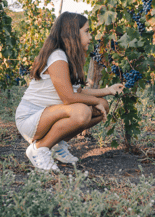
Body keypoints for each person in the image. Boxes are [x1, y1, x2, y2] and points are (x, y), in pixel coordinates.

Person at [15, 12, 124, 172]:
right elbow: (68, 97)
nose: (91, 36)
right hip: (31, 118)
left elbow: (78, 91)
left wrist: (108, 91)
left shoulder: (67, 57)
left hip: (49, 115)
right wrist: (96, 101)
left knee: (102, 108)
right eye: (86, 31)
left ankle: (56, 144)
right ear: (73, 34)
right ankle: (39, 148)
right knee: (82, 112)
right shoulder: (57, 57)